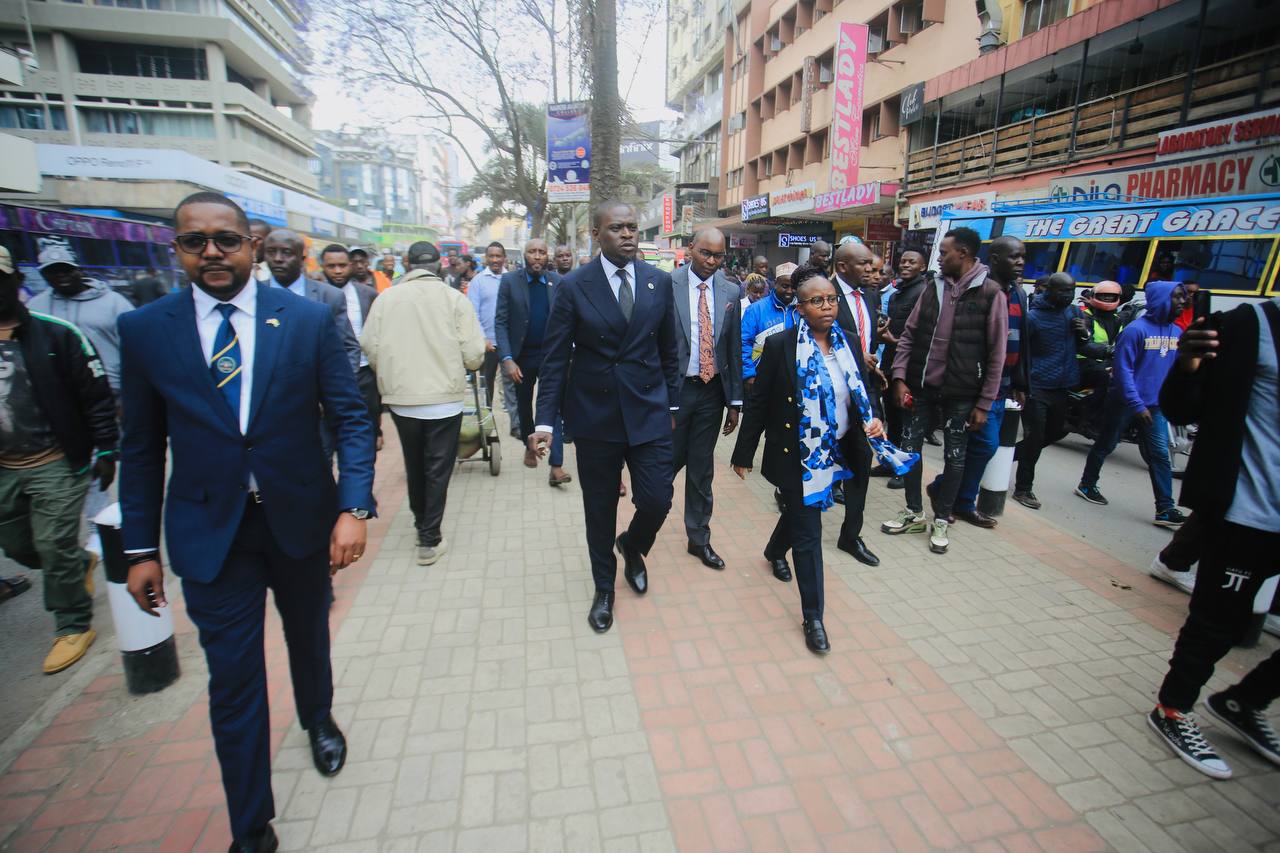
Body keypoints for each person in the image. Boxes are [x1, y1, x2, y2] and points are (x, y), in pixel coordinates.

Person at [119, 193, 375, 852]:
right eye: (194, 241)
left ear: (251, 245)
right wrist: (138, 548)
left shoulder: (307, 321)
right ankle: (251, 828)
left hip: (300, 521)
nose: (211, 252)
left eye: (226, 239)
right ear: (175, 248)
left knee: (307, 638)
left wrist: (354, 506)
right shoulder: (147, 329)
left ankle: (318, 718)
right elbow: (141, 446)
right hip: (211, 535)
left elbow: (349, 416)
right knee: (233, 681)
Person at [528, 200, 680, 634]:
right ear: (596, 235)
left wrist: (671, 405)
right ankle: (604, 588)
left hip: (648, 411)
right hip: (596, 415)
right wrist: (543, 423)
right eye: (617, 228)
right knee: (599, 509)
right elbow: (554, 360)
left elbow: (669, 349)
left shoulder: (657, 282)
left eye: (633, 227)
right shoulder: (574, 286)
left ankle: (632, 545)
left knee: (658, 498)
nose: (629, 234)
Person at [1145, 297, 1280, 779]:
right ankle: (1174, 710)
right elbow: (1179, 405)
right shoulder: (1251, 325)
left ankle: (1244, 701)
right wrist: (1187, 364)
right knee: (1216, 625)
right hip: (1250, 511)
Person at [731, 269, 899, 653]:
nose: (826, 307)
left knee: (799, 513)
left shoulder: (850, 342)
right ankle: (814, 617)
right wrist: (744, 454)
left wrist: (873, 418)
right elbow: (759, 405)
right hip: (800, 454)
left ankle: (774, 550)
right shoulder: (780, 346)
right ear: (800, 308)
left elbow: (860, 391)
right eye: (816, 301)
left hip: (841, 447)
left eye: (831, 300)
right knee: (809, 534)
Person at [0, 246, 117, 674]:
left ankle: (72, 623)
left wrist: (106, 448)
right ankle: (75, 563)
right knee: (19, 546)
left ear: (15, 284)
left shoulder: (56, 335)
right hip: (5, 467)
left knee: (52, 543)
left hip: (55, 460)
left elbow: (95, 395)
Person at [882, 227, 1008, 555]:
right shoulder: (932, 288)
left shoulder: (991, 293)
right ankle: (913, 512)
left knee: (955, 457)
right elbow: (909, 335)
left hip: (963, 394)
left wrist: (985, 402)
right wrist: (899, 377)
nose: (939, 258)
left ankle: (941, 518)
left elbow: (997, 353)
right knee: (909, 451)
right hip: (921, 388)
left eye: (944, 252)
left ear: (962, 254)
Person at [362, 241, 485, 565]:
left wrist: (389, 373)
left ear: (408, 263)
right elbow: (474, 356)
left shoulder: (386, 299)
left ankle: (421, 524)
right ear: (438, 265)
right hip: (444, 400)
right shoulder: (454, 299)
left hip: (402, 401)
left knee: (414, 464)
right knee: (437, 468)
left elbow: (369, 346)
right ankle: (429, 539)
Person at [1075, 280, 1189, 528]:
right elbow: (1123, 371)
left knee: (1159, 455)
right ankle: (1087, 483)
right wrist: (1137, 405)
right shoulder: (1136, 331)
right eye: (1177, 296)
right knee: (1106, 444)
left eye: (1184, 297)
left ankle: (1165, 508)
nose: (1183, 302)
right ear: (1161, 299)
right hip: (1125, 401)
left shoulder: (1177, 333)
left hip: (1156, 405)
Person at [939, 236, 1029, 528]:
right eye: (1014, 257)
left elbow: (1019, 339)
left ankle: (954, 495)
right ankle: (953, 495)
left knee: (983, 446)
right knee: (985, 445)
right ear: (995, 258)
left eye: (1023, 257)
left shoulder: (1017, 293)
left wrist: (1020, 380)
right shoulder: (981, 290)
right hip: (977, 386)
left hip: (1003, 384)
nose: (1020, 263)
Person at [669, 228, 743, 570]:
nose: (712, 261)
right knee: (664, 463)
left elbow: (733, 347)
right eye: (705, 253)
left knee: (701, 469)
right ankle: (644, 523)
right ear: (690, 249)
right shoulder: (667, 285)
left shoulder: (731, 289)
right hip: (676, 393)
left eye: (718, 256)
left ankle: (699, 539)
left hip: (712, 392)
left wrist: (735, 401)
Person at [496, 239, 572, 486]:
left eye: (541, 252)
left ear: (547, 256)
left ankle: (556, 466)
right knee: (524, 406)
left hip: (552, 357)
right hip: (521, 358)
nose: (537, 256)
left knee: (555, 407)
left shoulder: (556, 282)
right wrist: (507, 359)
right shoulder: (510, 282)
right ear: (524, 255)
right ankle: (529, 444)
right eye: (532, 252)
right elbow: (501, 322)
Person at [830, 240, 884, 566]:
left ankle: (850, 535)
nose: (870, 270)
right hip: (827, 398)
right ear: (842, 268)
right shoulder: (824, 294)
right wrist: (852, 355)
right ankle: (781, 545)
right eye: (864, 264)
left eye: (872, 265)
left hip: (861, 396)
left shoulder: (871, 297)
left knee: (861, 461)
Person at [1012, 272, 1084, 510]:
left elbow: (1084, 345)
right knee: (1034, 437)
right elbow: (1019, 353)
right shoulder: (1032, 317)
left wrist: (1086, 333)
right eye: (1063, 290)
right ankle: (1024, 488)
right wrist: (1019, 385)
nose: (1068, 295)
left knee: (1052, 434)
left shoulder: (1074, 313)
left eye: (1071, 290)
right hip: (1037, 386)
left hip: (1062, 386)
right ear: (1048, 290)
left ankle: (1003, 455)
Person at [28, 252, 134, 397]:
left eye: (66, 269)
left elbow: (135, 347)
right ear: (43, 275)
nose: (60, 275)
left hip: (112, 390)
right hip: (61, 394)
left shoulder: (114, 302)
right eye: (52, 271)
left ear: (80, 270)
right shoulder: (35, 306)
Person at [261, 229, 361, 374]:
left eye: (286, 252)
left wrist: (340, 386)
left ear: (302, 257)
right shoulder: (254, 294)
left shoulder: (330, 296)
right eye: (271, 252)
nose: (278, 258)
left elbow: (348, 347)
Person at [321, 245, 382, 451]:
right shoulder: (315, 295)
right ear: (323, 267)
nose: (337, 271)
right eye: (331, 266)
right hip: (327, 376)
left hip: (364, 373)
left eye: (342, 265)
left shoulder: (367, 294)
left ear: (350, 267)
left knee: (367, 430)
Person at [877, 249, 928, 489]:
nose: (906, 265)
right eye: (904, 261)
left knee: (908, 420)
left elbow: (918, 334)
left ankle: (905, 470)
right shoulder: (898, 294)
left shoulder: (923, 293)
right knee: (893, 419)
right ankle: (891, 462)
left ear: (922, 267)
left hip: (908, 368)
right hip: (890, 362)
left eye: (912, 262)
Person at [1077, 280, 1125, 435]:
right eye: (1103, 296)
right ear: (1094, 296)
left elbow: (1125, 341)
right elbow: (1083, 344)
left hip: (1108, 360)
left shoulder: (1118, 319)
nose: (1107, 299)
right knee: (1107, 378)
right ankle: (1090, 420)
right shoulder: (1085, 317)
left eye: (1111, 297)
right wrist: (1107, 351)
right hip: (1084, 362)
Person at [742, 265, 798, 397]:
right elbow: (743, 343)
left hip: (794, 379)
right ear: (775, 284)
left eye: (793, 286)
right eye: (785, 286)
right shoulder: (756, 309)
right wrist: (749, 374)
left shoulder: (803, 308)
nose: (789, 291)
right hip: (761, 377)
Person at [468, 242, 505, 410]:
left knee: (512, 384)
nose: (495, 259)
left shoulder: (512, 279)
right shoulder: (478, 281)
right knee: (486, 383)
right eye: (492, 256)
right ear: (486, 258)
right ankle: (487, 421)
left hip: (508, 342)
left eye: (498, 256)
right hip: (488, 344)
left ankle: (516, 424)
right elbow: (473, 314)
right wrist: (483, 339)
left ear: (504, 258)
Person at [248, 219, 272, 284]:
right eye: (248, 238)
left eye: (257, 239)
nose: (252, 243)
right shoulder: (237, 269)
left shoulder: (277, 269)